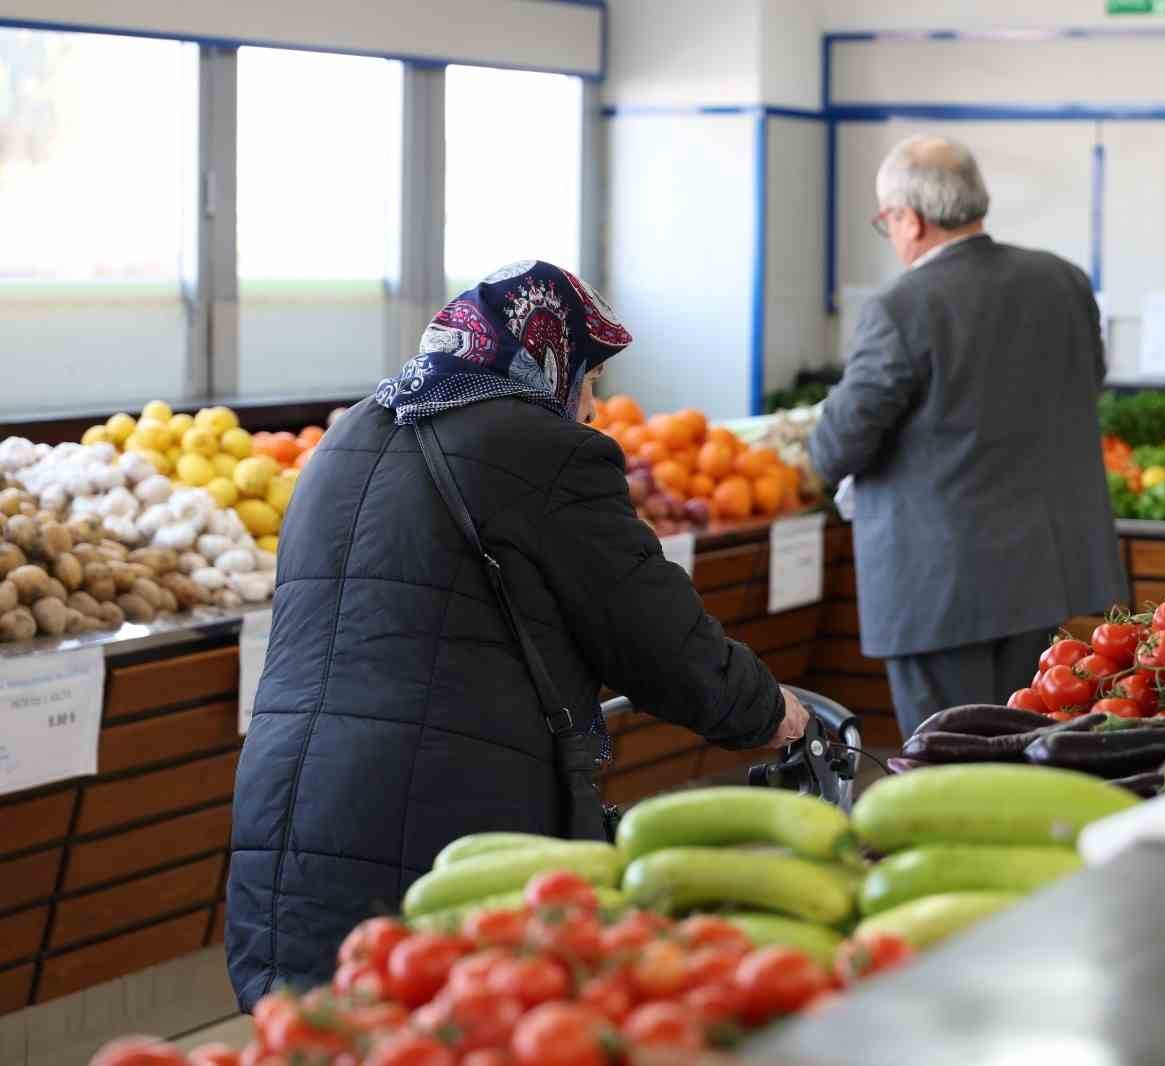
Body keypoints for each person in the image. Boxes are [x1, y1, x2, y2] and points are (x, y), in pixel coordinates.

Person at [226, 260, 809, 1008]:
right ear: (547, 354)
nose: (593, 406)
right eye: (589, 376)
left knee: (326, 1036)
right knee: (451, 1030)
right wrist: (769, 710)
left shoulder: (348, 440)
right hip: (438, 819)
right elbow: (656, 633)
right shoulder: (544, 449)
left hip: (284, 811)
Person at [810, 136, 1125, 738]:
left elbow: (838, 446)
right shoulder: (1062, 281)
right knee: (1026, 747)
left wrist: (824, 419)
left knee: (949, 763)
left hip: (939, 587)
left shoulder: (903, 307)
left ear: (911, 217)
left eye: (887, 220)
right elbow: (1089, 382)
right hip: (1043, 573)